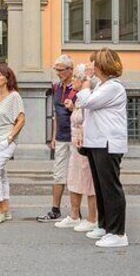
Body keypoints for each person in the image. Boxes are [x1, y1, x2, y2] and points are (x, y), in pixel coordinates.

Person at [76, 48, 129, 248]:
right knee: (100, 187)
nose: (90, 66)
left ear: (102, 65)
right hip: (96, 143)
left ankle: (118, 232)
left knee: (110, 188)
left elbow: (87, 102)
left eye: (93, 63)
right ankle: (104, 225)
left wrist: (87, 81)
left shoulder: (113, 87)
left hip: (108, 144)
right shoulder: (103, 86)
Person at [56, 63, 98, 233]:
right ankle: (74, 215)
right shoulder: (80, 98)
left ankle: (93, 218)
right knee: (74, 178)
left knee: (89, 182)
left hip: (85, 145)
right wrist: (73, 109)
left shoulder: (90, 97)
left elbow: (90, 121)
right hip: (76, 144)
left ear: (83, 80)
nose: (72, 81)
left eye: (75, 78)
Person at [0, 63, 26, 224]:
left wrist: (9, 139)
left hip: (4, 141)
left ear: (8, 78)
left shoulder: (14, 96)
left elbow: (21, 120)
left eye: (0, 75)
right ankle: (6, 210)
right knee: (1, 174)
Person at [38, 55, 75, 223]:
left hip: (75, 138)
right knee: (58, 174)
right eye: (56, 70)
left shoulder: (79, 88)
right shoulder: (55, 87)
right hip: (61, 137)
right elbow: (55, 115)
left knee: (76, 176)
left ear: (70, 70)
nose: (58, 73)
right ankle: (55, 209)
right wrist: (53, 137)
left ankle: (76, 212)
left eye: (61, 70)